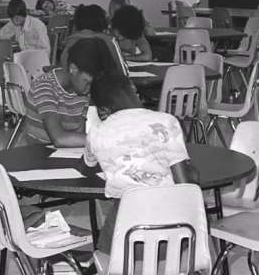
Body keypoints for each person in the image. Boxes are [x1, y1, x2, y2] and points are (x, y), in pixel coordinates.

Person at [84, 73, 198, 253]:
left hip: (126, 231)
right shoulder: (166, 121)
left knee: (104, 250)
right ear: (134, 91)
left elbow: (89, 162)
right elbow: (184, 183)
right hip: (171, 234)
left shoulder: (97, 133)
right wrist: (193, 172)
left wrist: (93, 113)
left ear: (102, 106)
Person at [25, 38, 110, 147]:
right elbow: (59, 139)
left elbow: (79, 135)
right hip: (37, 153)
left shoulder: (80, 88)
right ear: (73, 69)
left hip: (64, 153)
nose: (89, 89)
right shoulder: (45, 87)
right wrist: (105, 141)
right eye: (87, 82)